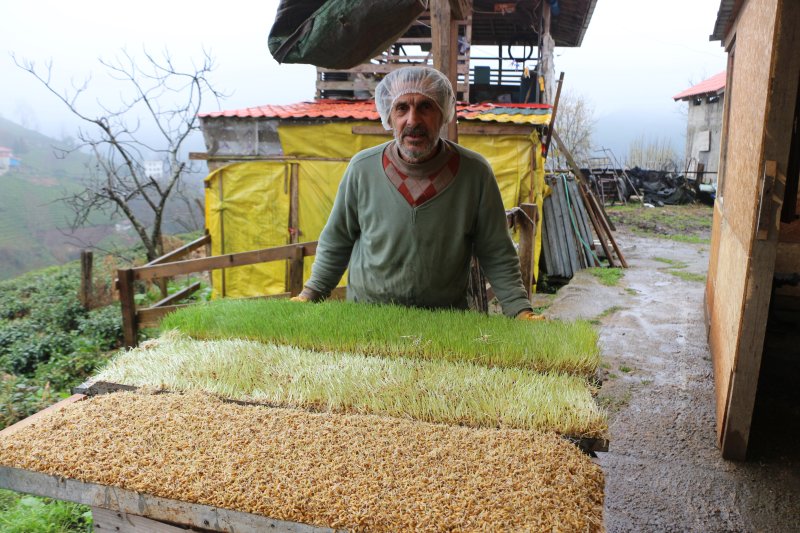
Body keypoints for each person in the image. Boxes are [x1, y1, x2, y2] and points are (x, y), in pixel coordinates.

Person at [292, 66, 543, 320]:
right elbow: (337, 240)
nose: (413, 120)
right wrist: (311, 293)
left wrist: (519, 310)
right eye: (402, 108)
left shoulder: (475, 174)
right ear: (389, 117)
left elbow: (497, 251)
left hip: (443, 324)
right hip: (367, 319)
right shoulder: (362, 169)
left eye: (425, 107)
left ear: (443, 114)